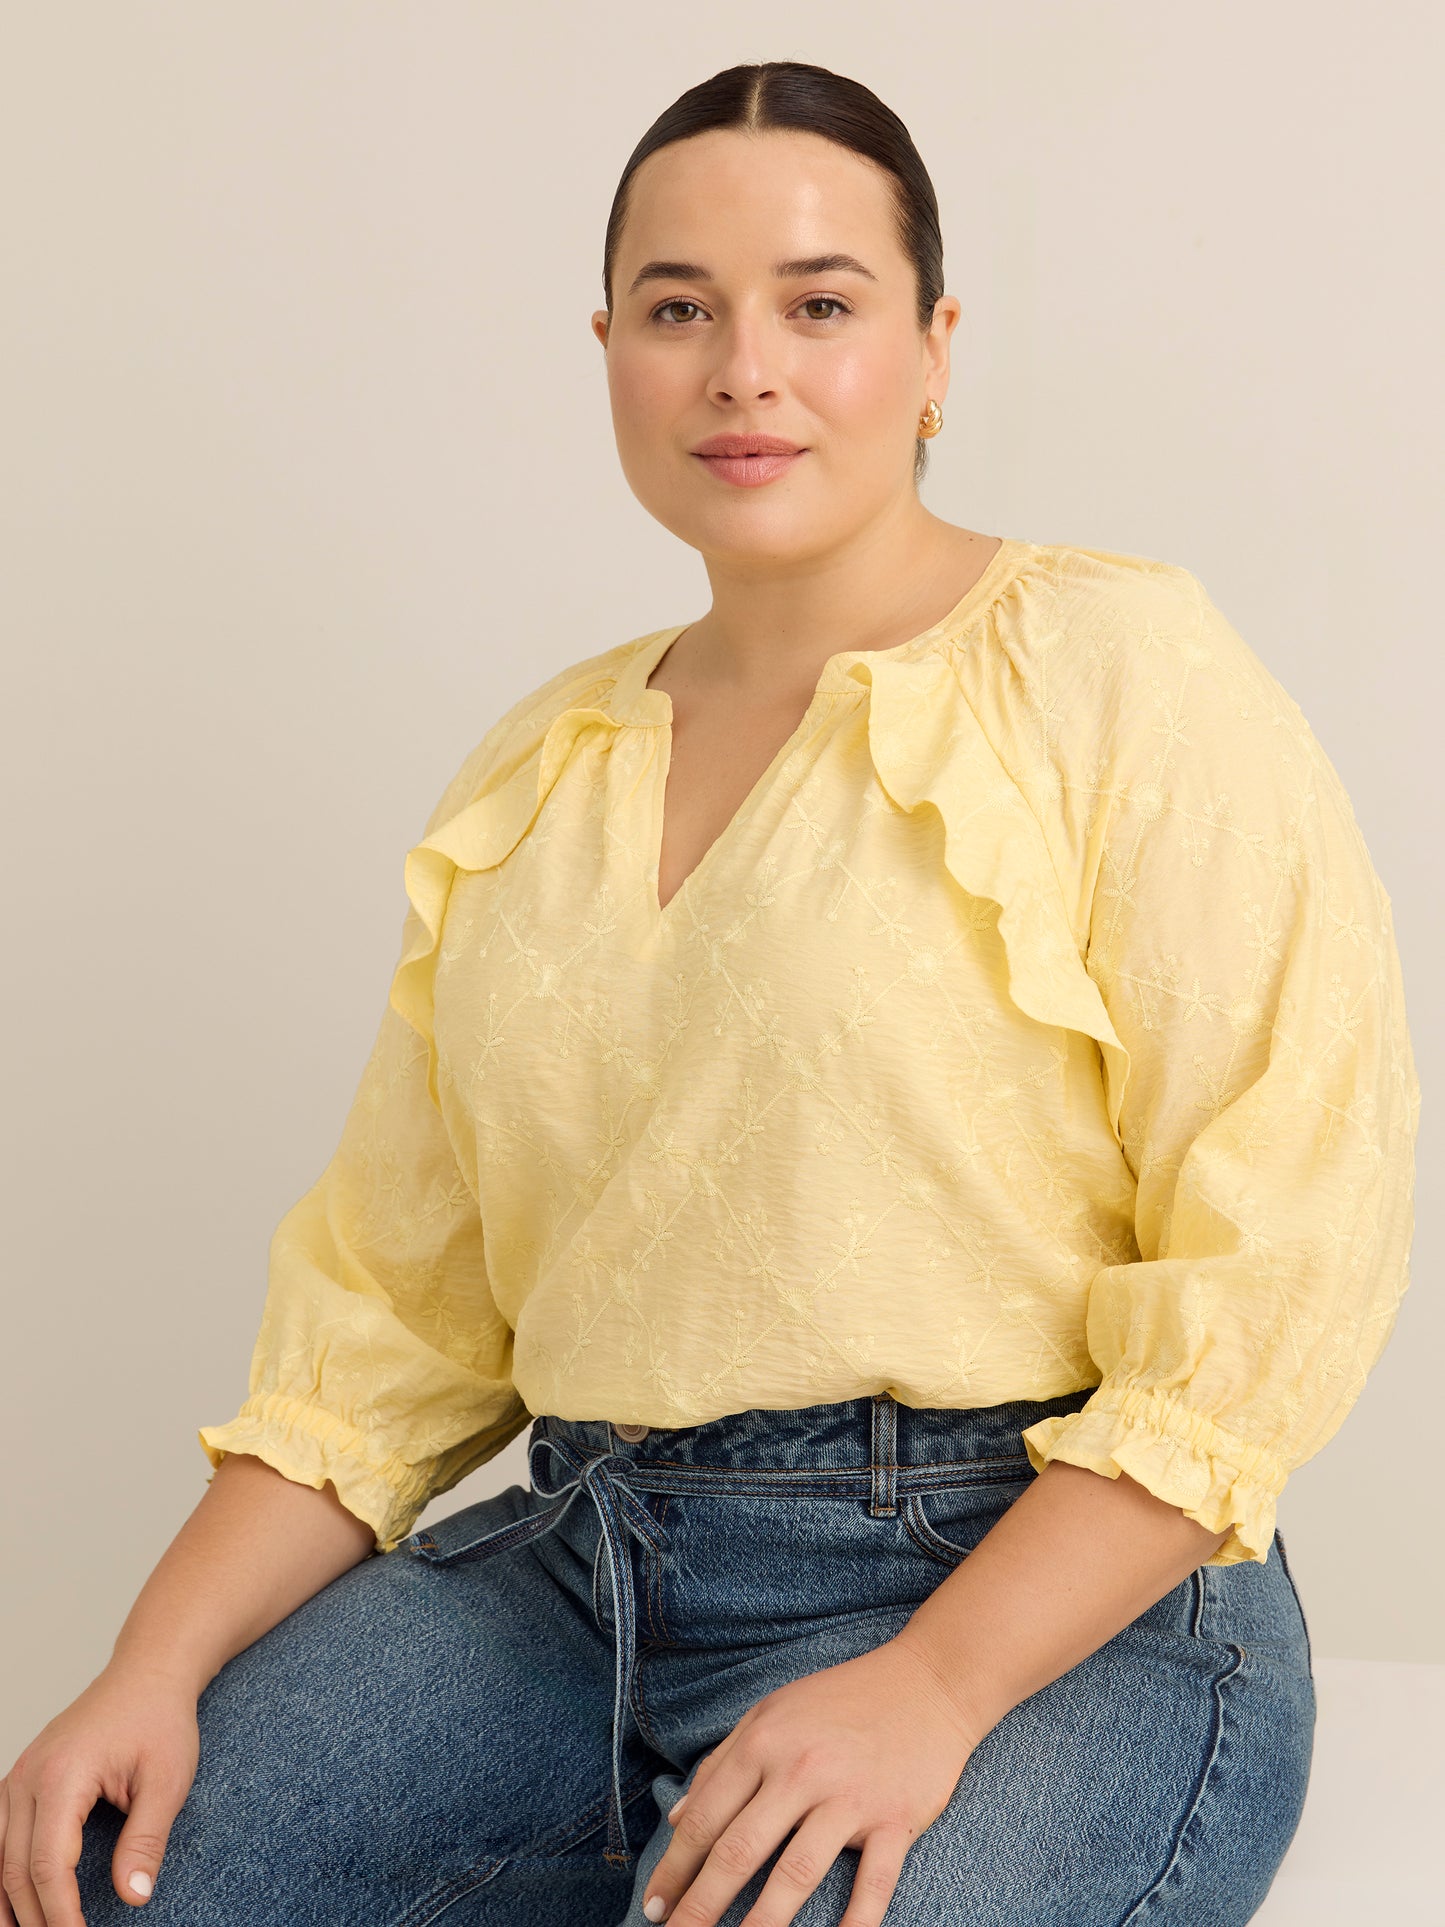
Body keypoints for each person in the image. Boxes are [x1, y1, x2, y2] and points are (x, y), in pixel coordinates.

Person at [3, 57, 1419, 1927]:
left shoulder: (1117, 669)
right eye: (680, 310)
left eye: (820, 304)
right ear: (609, 348)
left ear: (932, 349)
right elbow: (385, 1324)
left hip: (1036, 1587)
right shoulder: (543, 763)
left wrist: (931, 1687)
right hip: (578, 1575)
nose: (744, 368)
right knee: (97, 1883)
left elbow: (1279, 1258)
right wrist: (147, 1667)